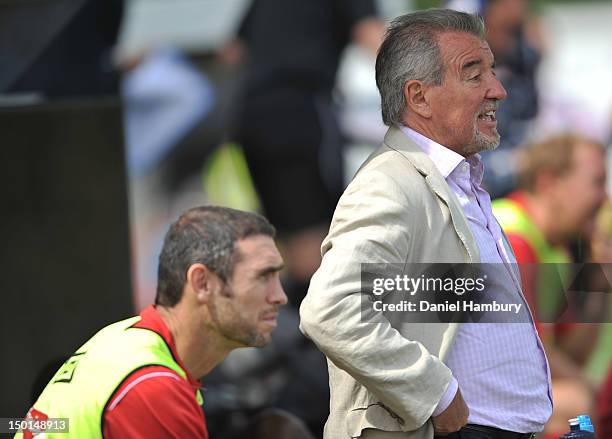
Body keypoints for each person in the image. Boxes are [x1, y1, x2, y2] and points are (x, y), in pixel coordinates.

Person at [300, 9, 551, 439]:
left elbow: (422, 310)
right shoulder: (388, 182)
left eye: (492, 71)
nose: (499, 90)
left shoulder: (450, 180)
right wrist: (435, 393)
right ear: (418, 97)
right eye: (475, 75)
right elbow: (332, 310)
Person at [17, 206, 287, 439]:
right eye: (263, 277)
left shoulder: (123, 337)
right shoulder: (152, 388)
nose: (280, 296)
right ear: (202, 283)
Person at [492, 135, 606, 438]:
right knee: (578, 406)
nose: (603, 199)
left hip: (505, 390)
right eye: (597, 182)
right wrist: (591, 389)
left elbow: (572, 353)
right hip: (476, 400)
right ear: (549, 183)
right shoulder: (513, 238)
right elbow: (534, 353)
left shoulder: (553, 247)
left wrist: (598, 278)